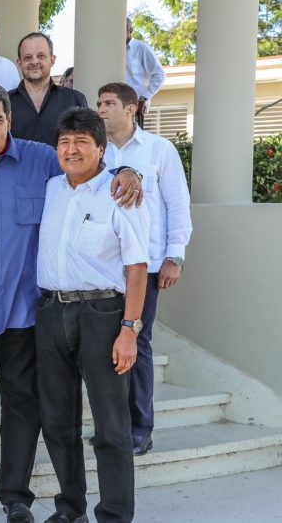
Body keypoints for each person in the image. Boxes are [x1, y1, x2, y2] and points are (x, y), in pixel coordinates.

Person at [0, 83, 143, 523]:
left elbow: (92, 164)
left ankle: (15, 495)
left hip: (26, 312)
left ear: (10, 119)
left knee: (23, 405)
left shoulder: (44, 159)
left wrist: (127, 168)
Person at [36, 107, 149, 523]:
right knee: (58, 421)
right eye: (65, 142)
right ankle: (70, 508)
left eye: (82, 141)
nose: (72, 149)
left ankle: (115, 515)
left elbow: (138, 268)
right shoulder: (51, 188)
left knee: (111, 426)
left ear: (101, 149)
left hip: (103, 315)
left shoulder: (121, 192)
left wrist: (129, 330)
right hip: (50, 311)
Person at [97, 82, 192, 457]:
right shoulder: (98, 153)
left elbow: (177, 204)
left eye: (108, 103)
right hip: (105, 268)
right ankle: (114, 427)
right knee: (106, 347)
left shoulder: (159, 151)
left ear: (131, 108)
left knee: (137, 341)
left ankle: (141, 426)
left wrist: (175, 256)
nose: (101, 110)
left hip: (148, 265)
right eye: (99, 103)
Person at [9, 33, 88, 147]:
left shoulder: (75, 99)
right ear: (19, 63)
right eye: (28, 57)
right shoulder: (4, 103)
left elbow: (85, 143)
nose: (34, 62)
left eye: (41, 56)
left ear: (52, 59)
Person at [125, 17, 165, 125]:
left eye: (123, 29)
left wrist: (143, 98)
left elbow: (159, 75)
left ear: (130, 29)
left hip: (136, 107)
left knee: (136, 140)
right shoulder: (112, 50)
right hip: (117, 107)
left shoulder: (142, 49)